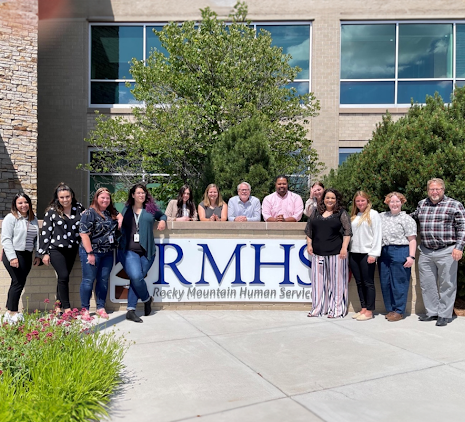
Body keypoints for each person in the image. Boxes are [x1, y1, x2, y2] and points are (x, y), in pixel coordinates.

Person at [411, 178, 465, 327]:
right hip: (426, 251)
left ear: (443, 190)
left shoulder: (455, 205)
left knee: (447, 284)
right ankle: (432, 312)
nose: (434, 192)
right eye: (431, 189)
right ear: (428, 191)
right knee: (427, 284)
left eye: (437, 189)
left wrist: (459, 248)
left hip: (447, 251)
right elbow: (412, 218)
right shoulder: (422, 204)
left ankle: (444, 314)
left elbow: (462, 228)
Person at [118, 183, 166, 323]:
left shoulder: (151, 209)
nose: (141, 195)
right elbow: (117, 219)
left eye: (143, 193)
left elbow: (162, 215)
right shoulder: (126, 209)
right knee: (136, 276)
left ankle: (131, 310)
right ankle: (146, 299)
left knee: (136, 279)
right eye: (138, 193)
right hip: (129, 250)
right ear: (133, 195)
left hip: (147, 251)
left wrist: (162, 221)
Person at [38, 183, 84, 315]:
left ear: (72, 196)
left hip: (72, 249)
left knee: (63, 278)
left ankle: (57, 306)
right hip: (56, 249)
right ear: (57, 198)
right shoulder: (52, 212)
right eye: (62, 197)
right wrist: (44, 253)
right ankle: (67, 308)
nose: (65, 200)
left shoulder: (79, 208)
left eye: (67, 196)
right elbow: (45, 233)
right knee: (63, 276)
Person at [305, 188, 352, 318]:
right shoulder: (316, 212)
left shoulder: (341, 213)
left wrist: (344, 248)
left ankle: (337, 310)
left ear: (336, 200)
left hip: (336, 253)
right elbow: (309, 230)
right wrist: (309, 244)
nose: (330, 200)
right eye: (327, 198)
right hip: (318, 253)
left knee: (337, 283)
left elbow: (348, 232)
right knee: (318, 283)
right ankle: (318, 309)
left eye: (332, 198)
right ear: (323, 199)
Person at [79, 188, 122, 320]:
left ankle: (100, 307)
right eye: (102, 198)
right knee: (88, 280)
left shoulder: (110, 212)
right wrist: (90, 253)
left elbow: (119, 216)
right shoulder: (89, 213)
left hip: (107, 252)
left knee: (103, 281)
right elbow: (83, 233)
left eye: (107, 198)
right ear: (96, 198)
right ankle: (85, 309)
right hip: (92, 252)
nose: (105, 200)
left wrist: (120, 219)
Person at [1, 192, 41, 324]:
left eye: (25, 202)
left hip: (26, 254)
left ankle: (8, 312)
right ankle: (13, 312)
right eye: (20, 203)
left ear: (29, 203)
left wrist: (37, 255)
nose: (23, 205)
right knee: (18, 282)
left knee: (18, 282)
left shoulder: (33, 218)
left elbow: (36, 238)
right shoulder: (10, 218)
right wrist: (12, 257)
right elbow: (6, 239)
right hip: (13, 253)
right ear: (15, 205)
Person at [379, 192, 416, 322]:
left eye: (397, 201)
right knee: (385, 281)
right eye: (391, 201)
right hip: (384, 251)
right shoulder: (382, 216)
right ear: (387, 203)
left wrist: (411, 256)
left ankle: (399, 311)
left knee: (399, 282)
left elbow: (412, 239)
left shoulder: (407, 219)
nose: (394, 204)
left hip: (400, 250)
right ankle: (390, 309)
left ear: (402, 202)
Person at [349, 191, 382, 321]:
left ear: (367, 201)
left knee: (368, 283)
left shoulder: (373, 214)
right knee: (359, 282)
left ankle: (369, 311)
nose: (360, 203)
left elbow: (377, 235)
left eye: (363, 200)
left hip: (367, 253)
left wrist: (373, 253)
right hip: (354, 253)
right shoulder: (354, 215)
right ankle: (363, 308)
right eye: (358, 201)